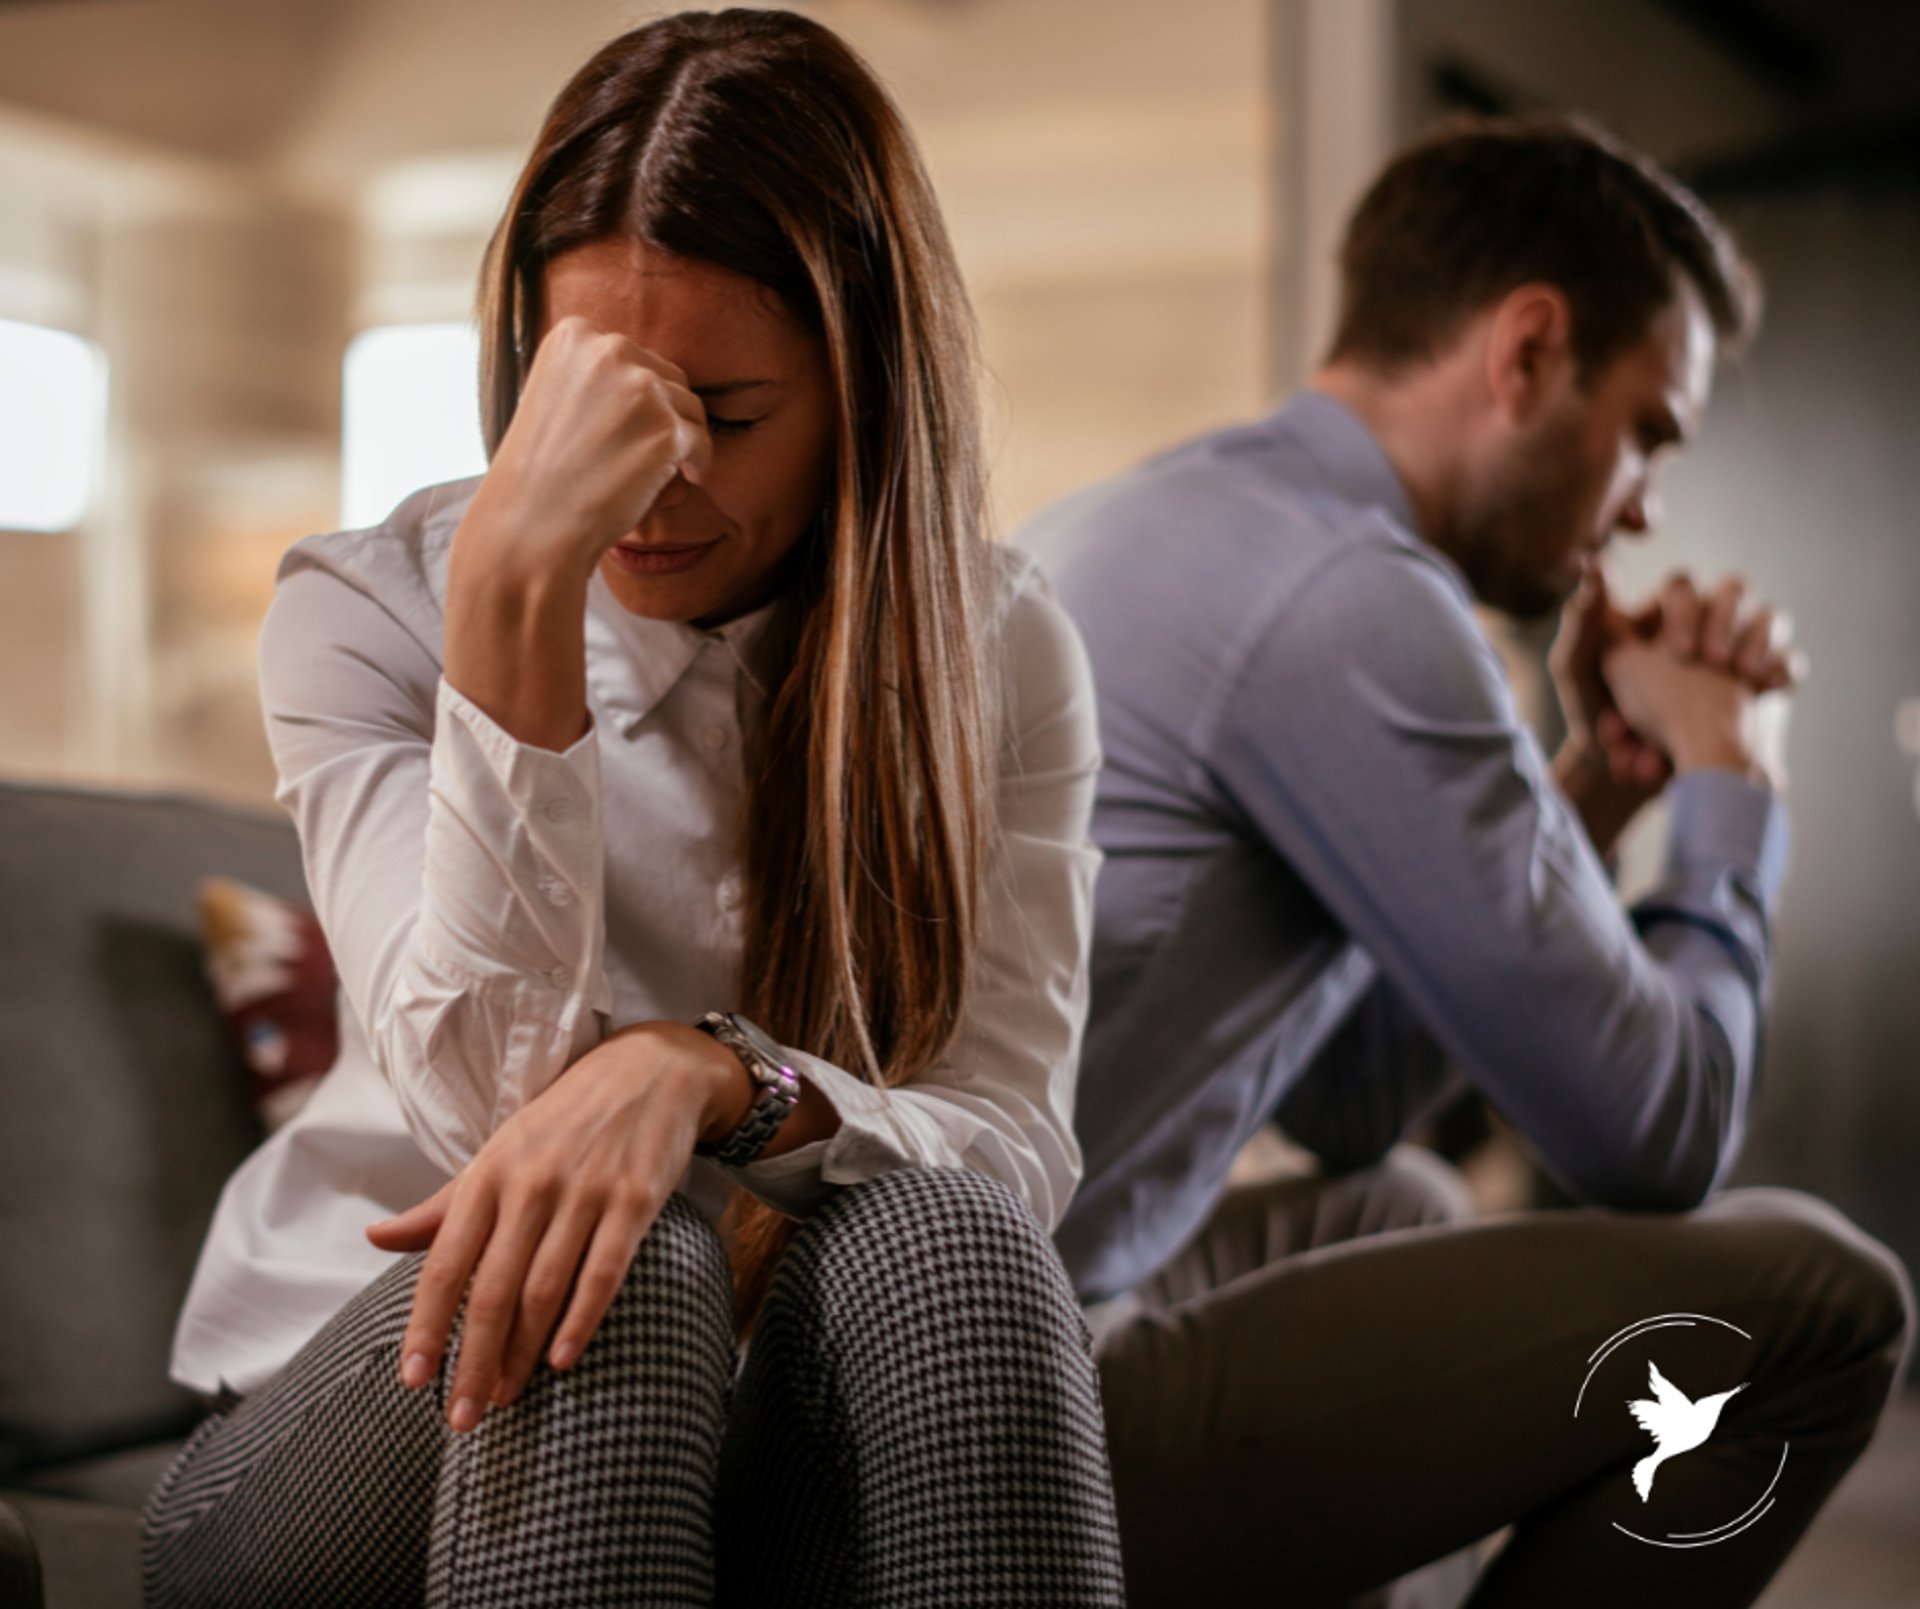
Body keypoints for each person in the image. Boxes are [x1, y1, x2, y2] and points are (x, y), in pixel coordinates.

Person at [140, 11, 1125, 1606]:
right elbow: (486, 1110)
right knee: (619, 1257)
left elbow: (1011, 1140)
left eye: (724, 420)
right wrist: (516, 593)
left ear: (862, 394)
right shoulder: (367, 611)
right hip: (334, 1430)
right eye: (597, 399)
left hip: (752, 1412)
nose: (648, 486)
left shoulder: (1002, 652)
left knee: (959, 1241)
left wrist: (710, 1075)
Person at [1016, 115, 1914, 1608]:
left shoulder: (1177, 514)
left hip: (963, 1290)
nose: (1643, 504)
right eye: (1650, 431)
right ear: (1527, 352)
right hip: (993, 1398)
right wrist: (1729, 780)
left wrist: (1585, 795)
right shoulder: (1353, 599)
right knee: (1828, 1298)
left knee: (1401, 1200)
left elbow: (1352, 1103)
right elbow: (1658, 1133)